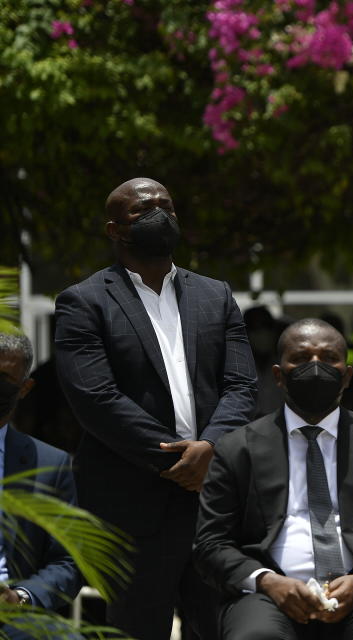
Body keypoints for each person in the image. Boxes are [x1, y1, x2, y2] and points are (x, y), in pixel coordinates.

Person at [53, 177, 258, 640]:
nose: (158, 214)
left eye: (166, 205)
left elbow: (243, 385)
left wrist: (210, 448)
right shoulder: (82, 303)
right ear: (113, 230)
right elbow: (96, 400)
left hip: (214, 505)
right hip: (133, 508)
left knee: (221, 629)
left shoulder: (216, 295)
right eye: (142, 209)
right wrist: (180, 459)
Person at [194, 319, 353, 640]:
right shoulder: (238, 448)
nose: (316, 367)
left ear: (347, 375)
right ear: (278, 375)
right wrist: (266, 580)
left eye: (329, 358)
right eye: (302, 358)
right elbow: (210, 543)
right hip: (269, 593)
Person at [0, 332, 82, 633]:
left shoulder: (50, 464)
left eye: (5, 377)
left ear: (25, 388)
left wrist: (21, 597)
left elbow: (68, 562)